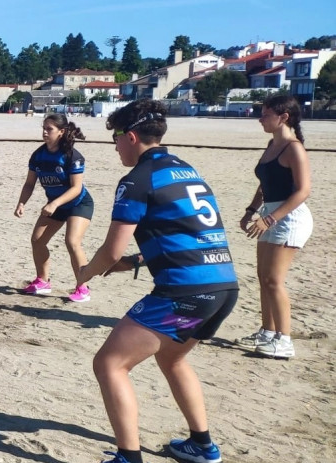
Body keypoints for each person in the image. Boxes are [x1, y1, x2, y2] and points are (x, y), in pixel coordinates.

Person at [74, 99, 238, 463]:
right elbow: (183, 231)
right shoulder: (186, 169)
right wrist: (133, 261)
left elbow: (110, 251)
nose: (115, 146)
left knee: (109, 364)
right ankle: (201, 445)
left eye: (115, 138)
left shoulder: (136, 179)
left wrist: (86, 273)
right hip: (224, 286)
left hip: (184, 291)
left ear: (131, 136)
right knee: (173, 360)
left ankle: (129, 458)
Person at [236, 94, 312, 358]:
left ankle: (284, 340)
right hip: (269, 214)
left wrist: (269, 218)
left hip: (288, 217)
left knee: (274, 280)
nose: (260, 118)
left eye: (265, 114)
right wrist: (251, 211)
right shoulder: (273, 144)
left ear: (284, 117)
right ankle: (267, 332)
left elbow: (303, 191)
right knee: (263, 278)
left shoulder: (294, 148)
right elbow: (264, 182)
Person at [14, 113, 94, 302]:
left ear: (61, 132)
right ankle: (43, 281)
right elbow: (29, 184)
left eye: (49, 129)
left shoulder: (72, 156)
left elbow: (76, 188)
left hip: (78, 203)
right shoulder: (38, 155)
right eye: (43, 127)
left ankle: (82, 288)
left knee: (72, 242)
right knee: (37, 240)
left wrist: (55, 203)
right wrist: (21, 203)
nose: (44, 132)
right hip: (55, 205)